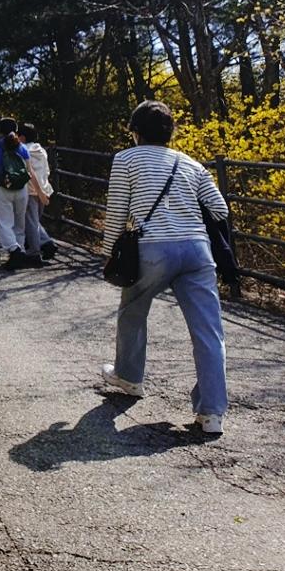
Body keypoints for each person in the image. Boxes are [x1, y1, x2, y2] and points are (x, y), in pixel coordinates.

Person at [100, 100, 230, 435]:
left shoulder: (126, 159)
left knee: (132, 310)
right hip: (198, 252)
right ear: (170, 132)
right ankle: (212, 413)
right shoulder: (191, 164)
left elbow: (117, 210)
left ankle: (129, 377)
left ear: (135, 131)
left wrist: (108, 252)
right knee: (208, 332)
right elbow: (219, 208)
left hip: (153, 250)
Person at [0, 117, 37, 270]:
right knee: (19, 223)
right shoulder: (22, 147)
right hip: (22, 189)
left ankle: (14, 250)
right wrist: (40, 192)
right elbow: (30, 170)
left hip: (2, 187)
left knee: (4, 222)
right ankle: (19, 252)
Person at [18, 122, 53, 262]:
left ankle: (35, 251)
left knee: (30, 222)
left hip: (29, 190)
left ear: (22, 137)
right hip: (44, 189)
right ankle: (46, 243)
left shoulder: (21, 150)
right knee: (35, 220)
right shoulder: (41, 150)